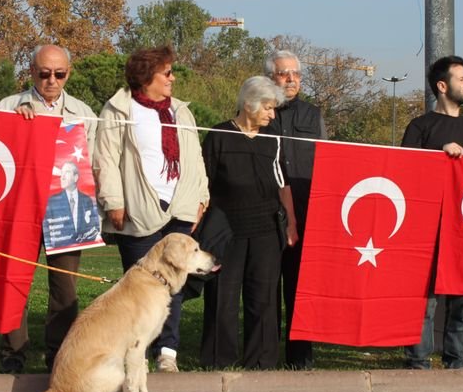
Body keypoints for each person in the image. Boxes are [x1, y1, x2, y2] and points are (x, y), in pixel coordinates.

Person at [93, 45, 209, 373]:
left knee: (174, 285)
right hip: (139, 210)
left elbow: (195, 157)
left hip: (180, 208)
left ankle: (167, 352)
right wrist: (113, 201)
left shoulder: (181, 111)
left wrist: (201, 197)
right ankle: (136, 355)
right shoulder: (119, 109)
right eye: (167, 73)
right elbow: (105, 158)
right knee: (139, 288)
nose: (173, 78)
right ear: (147, 77)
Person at [0, 44, 97, 373]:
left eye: (59, 73)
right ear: (31, 72)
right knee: (15, 282)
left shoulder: (84, 113)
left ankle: (59, 356)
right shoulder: (8, 107)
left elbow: (94, 163)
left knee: (65, 289)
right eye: (44, 73)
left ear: (69, 73)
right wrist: (14, 126)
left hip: (65, 210)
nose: (51, 80)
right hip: (20, 209)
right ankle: (12, 354)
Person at [200, 76, 298, 370]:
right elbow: (204, 183)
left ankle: (261, 361)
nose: (272, 115)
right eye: (267, 108)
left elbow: (282, 183)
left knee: (263, 296)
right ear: (248, 104)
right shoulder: (218, 135)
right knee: (223, 295)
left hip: (266, 229)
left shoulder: (273, 138)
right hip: (227, 229)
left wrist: (291, 224)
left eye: (274, 108)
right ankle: (219, 359)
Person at [400, 55, 463, 370]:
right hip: (427, 230)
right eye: (461, 79)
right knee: (424, 303)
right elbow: (405, 173)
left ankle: (456, 362)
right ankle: (418, 363)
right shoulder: (420, 127)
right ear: (442, 86)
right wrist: (438, 156)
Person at [265, 50, 327, 370]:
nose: (291, 79)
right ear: (270, 78)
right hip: (265, 213)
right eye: (283, 73)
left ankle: (300, 359)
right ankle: (265, 356)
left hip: (305, 214)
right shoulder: (257, 112)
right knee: (266, 289)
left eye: (296, 74)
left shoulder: (313, 115)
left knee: (300, 290)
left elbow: (327, 162)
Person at [44, 161, 100, 248]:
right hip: (59, 248)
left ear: (75, 177)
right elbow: (47, 228)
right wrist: (48, 245)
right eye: (61, 173)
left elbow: (92, 227)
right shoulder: (52, 201)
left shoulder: (87, 200)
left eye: (67, 172)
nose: (62, 177)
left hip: (78, 248)